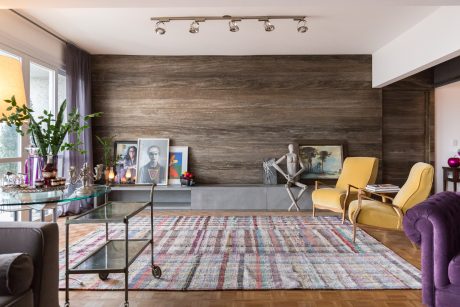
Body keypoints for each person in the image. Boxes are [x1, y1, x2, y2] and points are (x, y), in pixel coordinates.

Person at [272, 144, 308, 211]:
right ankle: (296, 206)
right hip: (289, 179)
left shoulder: (297, 156)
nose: (292, 148)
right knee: (287, 186)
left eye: (293, 146)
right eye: (291, 147)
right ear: (288, 148)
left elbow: (303, 168)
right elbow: (274, 164)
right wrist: (284, 174)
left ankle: (292, 205)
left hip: (296, 178)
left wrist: (295, 175)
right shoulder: (286, 155)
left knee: (305, 187)